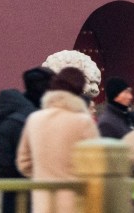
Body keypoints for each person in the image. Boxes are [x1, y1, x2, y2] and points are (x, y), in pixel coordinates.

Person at [18, 68, 99, 213]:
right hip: (76, 202)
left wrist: (42, 175)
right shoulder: (83, 122)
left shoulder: (34, 119)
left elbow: (23, 163)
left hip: (42, 202)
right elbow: (97, 164)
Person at [0, 67, 53, 213]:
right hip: (37, 191)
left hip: (13, 193)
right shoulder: (39, 117)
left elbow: (4, 169)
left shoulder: (7, 122)